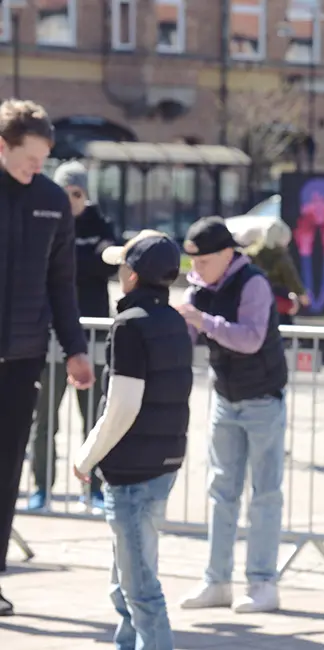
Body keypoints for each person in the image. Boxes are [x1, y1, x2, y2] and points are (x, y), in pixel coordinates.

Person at [73, 230, 193, 650]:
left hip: (130, 469)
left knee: (139, 585)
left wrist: (86, 457)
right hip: (164, 460)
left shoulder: (129, 326)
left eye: (122, 266)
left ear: (133, 275)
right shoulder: (175, 321)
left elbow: (122, 405)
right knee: (128, 575)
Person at [0, 99, 95, 617]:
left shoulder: (53, 202)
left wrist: (76, 350)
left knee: (6, 473)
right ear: (2, 146)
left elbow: (62, 284)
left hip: (22, 359)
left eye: (42, 161)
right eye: (28, 160)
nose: (36, 169)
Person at [176, 217, 289, 614]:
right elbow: (189, 335)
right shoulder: (200, 287)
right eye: (191, 263)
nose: (195, 271)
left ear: (226, 254)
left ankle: (262, 582)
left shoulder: (253, 282)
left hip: (262, 399)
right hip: (225, 397)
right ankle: (217, 581)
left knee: (265, 495)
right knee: (221, 492)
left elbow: (251, 337)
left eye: (202, 262)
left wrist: (201, 321)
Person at [28, 160, 119, 511]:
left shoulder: (99, 225)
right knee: (44, 419)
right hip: (50, 337)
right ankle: (41, 488)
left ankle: (94, 489)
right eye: (65, 193)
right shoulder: (45, 219)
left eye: (77, 194)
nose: (71, 201)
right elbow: (41, 264)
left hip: (92, 338)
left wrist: (71, 257)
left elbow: (107, 260)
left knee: (95, 421)